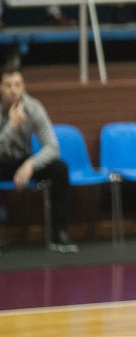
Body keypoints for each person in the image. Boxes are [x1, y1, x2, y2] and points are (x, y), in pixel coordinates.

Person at [0, 66, 77, 253]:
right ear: (0, 87)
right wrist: (11, 126)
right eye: (8, 85)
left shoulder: (34, 107)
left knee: (60, 168)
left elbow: (53, 147)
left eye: (17, 85)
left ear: (24, 87)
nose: (13, 90)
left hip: (23, 161)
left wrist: (31, 164)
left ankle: (59, 234)